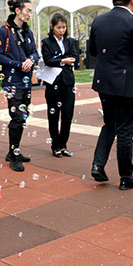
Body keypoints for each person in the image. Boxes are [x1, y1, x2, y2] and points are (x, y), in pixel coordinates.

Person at [88, 0, 133, 190]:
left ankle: (98, 164)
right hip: (127, 86)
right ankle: (126, 177)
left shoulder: (99, 21)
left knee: (109, 124)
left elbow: (92, 51)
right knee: (125, 131)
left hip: (105, 83)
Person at [0, 0, 40, 172]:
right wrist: (18, 64)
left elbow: (35, 53)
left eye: (31, 11)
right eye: (27, 10)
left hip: (25, 82)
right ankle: (14, 155)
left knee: (23, 116)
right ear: (17, 11)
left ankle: (14, 150)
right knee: (17, 117)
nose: (29, 14)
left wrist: (31, 60)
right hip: (12, 82)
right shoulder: (4, 31)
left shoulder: (28, 32)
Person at [41, 12, 78, 157]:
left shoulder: (70, 41)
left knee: (68, 114)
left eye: (64, 27)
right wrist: (63, 60)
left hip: (68, 81)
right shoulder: (46, 42)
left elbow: (75, 57)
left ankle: (63, 144)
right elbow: (48, 60)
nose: (61, 30)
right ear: (52, 27)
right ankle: (55, 145)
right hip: (53, 82)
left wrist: (63, 60)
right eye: (58, 28)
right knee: (54, 115)